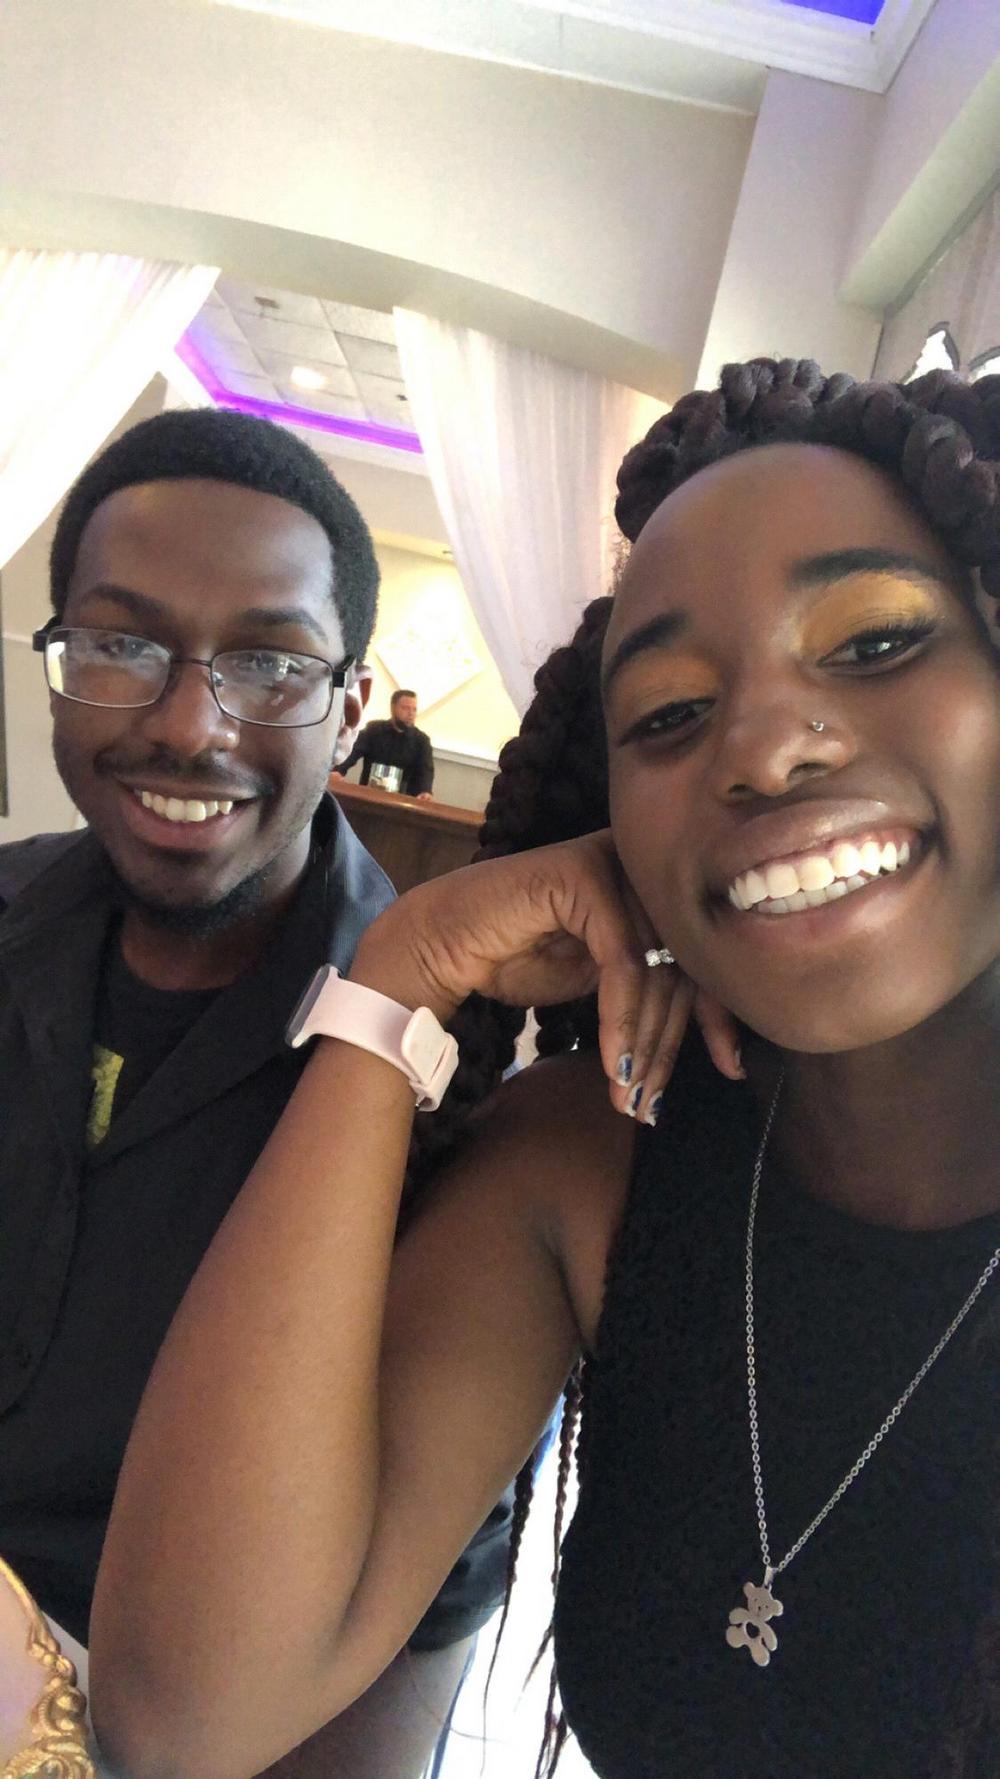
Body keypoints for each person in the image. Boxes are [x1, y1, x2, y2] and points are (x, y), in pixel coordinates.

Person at [90, 357, 1000, 1779]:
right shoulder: (595, 1155)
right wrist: (400, 976)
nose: (763, 747)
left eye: (876, 639)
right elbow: (182, 1713)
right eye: (670, 713)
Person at [0, 407, 515, 1779]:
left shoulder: (435, 1077)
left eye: (271, 663)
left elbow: (425, 1613)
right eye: (121, 646)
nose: (189, 725)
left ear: (349, 702)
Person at [334, 687, 435, 798]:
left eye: (414, 709)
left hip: (403, 800)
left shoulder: (422, 741)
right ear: (393, 708)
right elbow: (354, 751)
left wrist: (425, 791)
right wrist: (339, 770)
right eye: (405, 708)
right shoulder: (374, 730)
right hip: (368, 795)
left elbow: (426, 770)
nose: (411, 714)